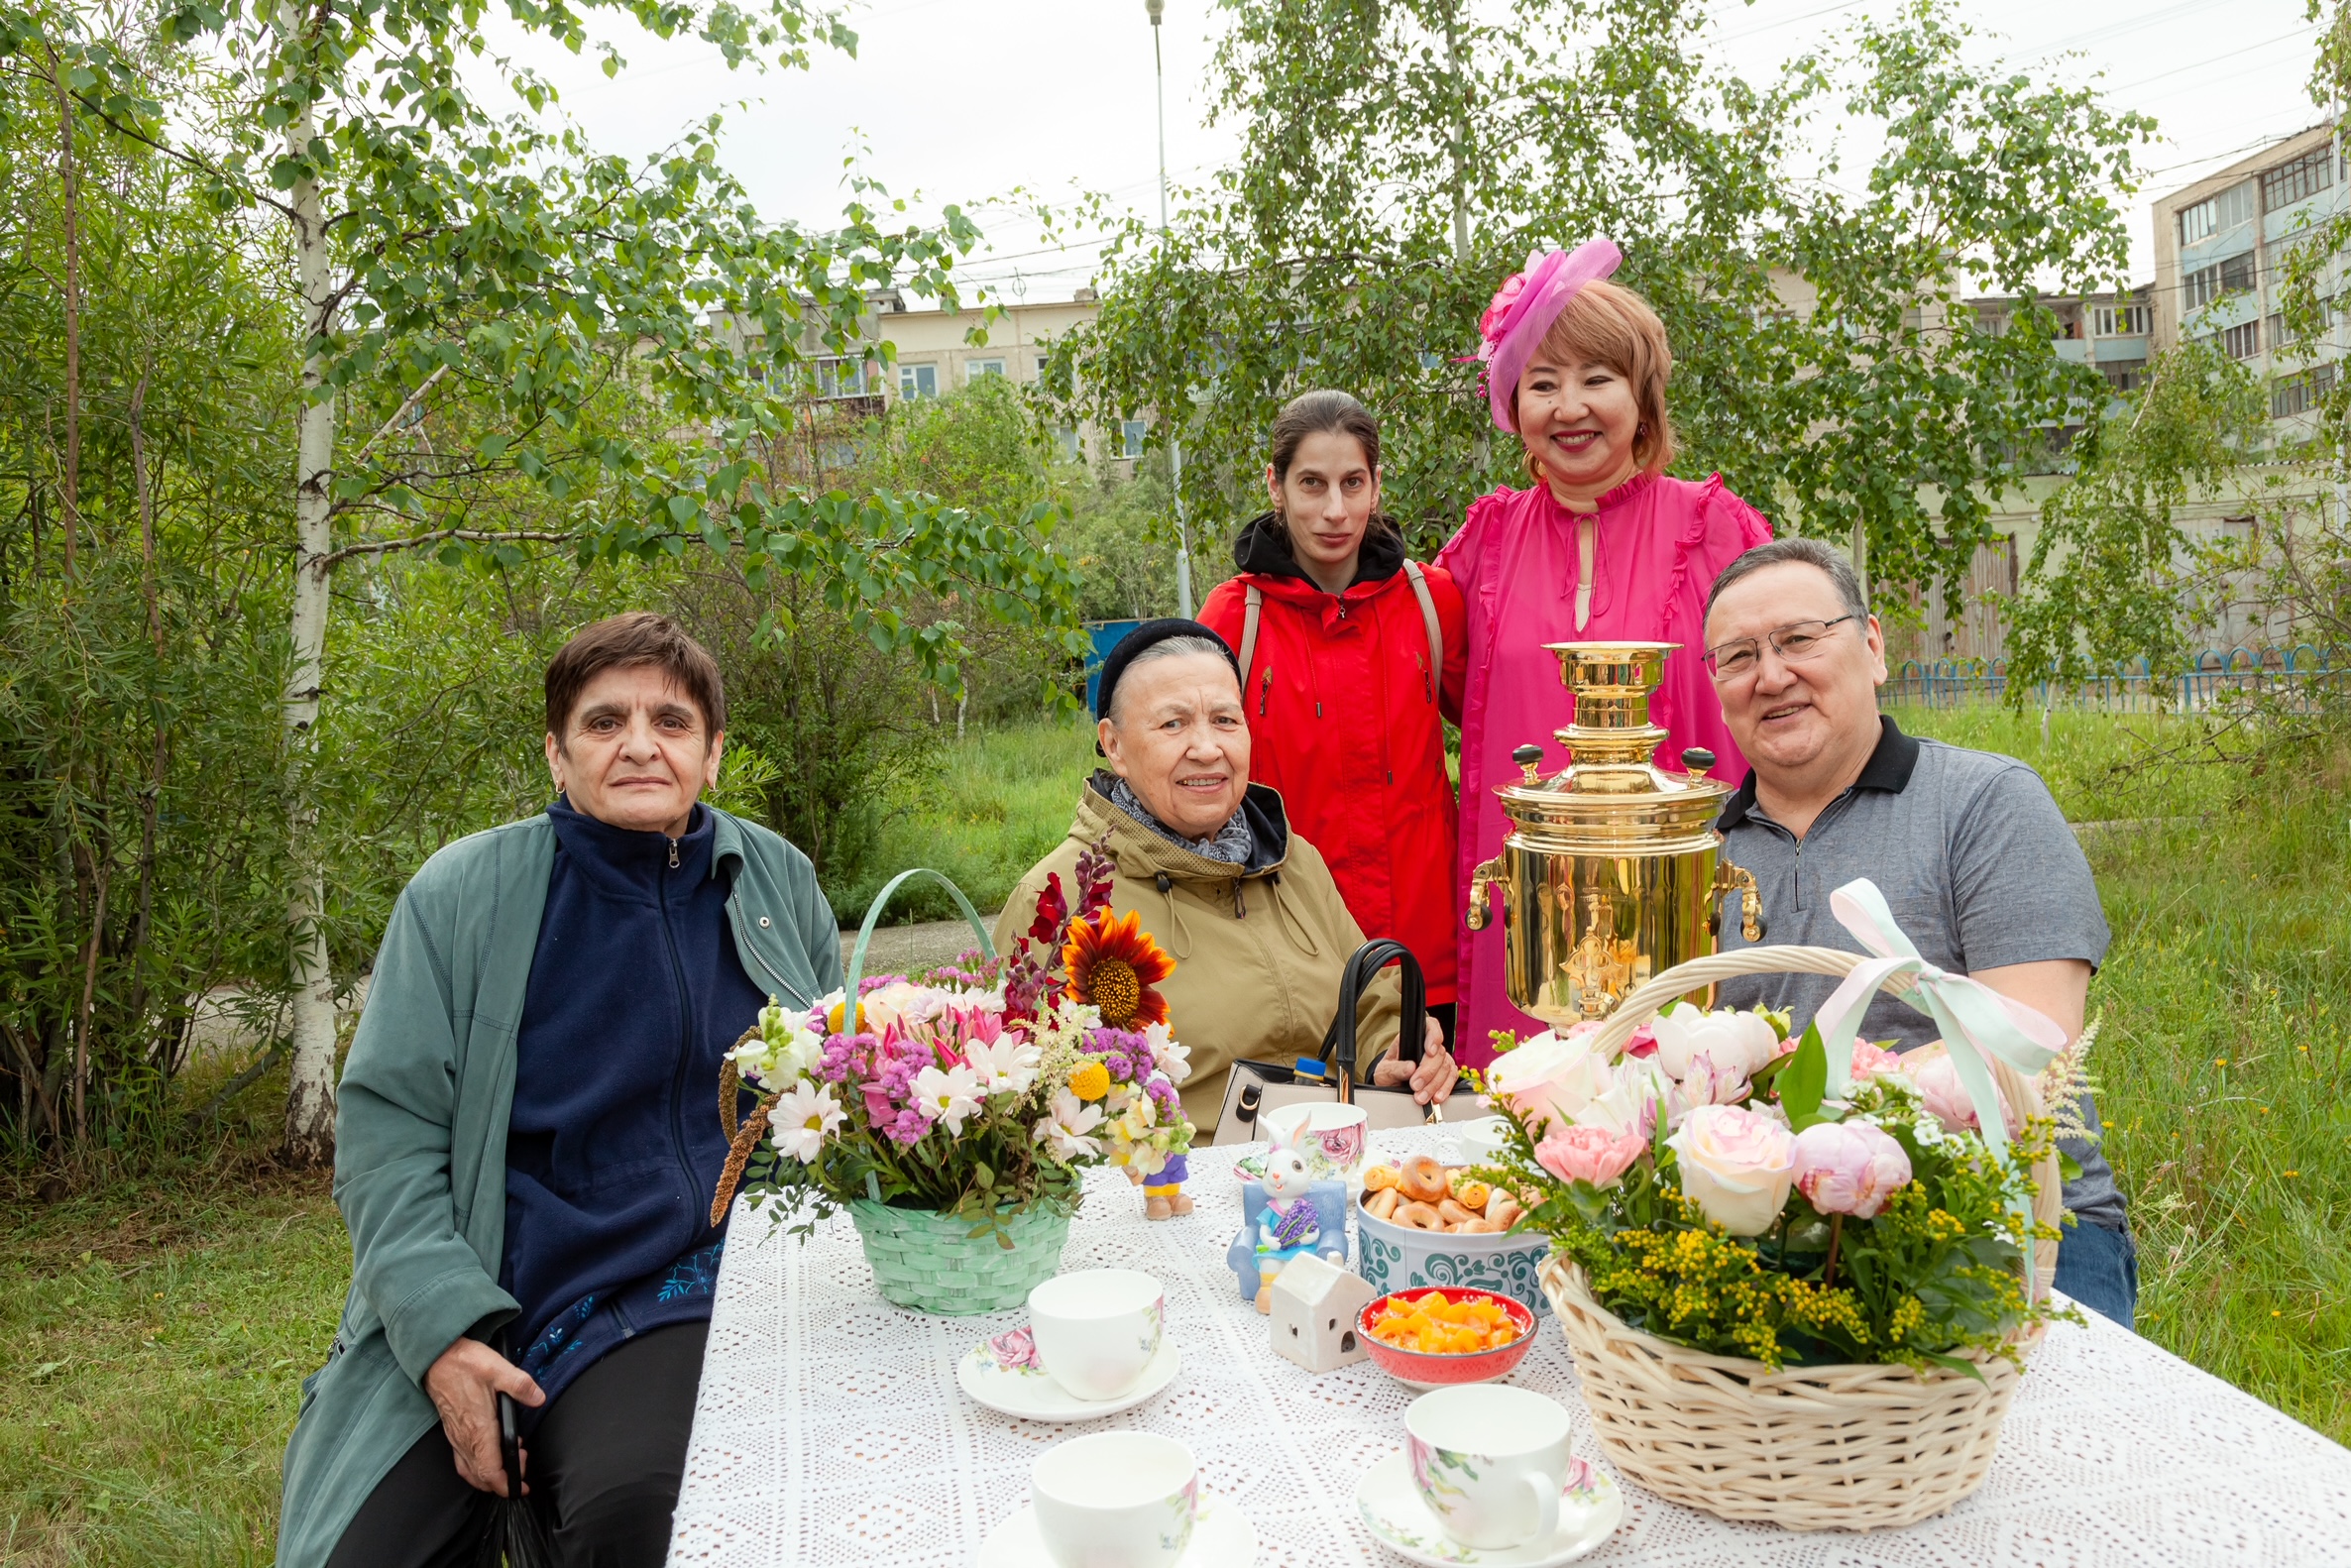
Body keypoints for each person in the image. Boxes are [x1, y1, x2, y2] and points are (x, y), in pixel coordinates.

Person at [278, 615, 843, 1568]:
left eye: (671, 721)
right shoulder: (463, 895)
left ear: (711, 754)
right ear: (556, 753)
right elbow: (388, 1141)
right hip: (516, 1278)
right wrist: (444, 1333)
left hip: (708, 1280)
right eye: (603, 721)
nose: (638, 745)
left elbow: (842, 1080)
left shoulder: (774, 878)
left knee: (642, 1508)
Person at [1700, 537, 2138, 1327]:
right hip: (1775, 1234)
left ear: (1872, 647)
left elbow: (2031, 1042)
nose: (1770, 675)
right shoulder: (1694, 850)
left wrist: (1815, 1110)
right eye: (1737, 656)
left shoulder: (1985, 803)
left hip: (2016, 1227)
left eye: (1800, 639)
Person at [1438, 239, 1773, 1064]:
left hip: (1689, 898)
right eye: (1542, 385)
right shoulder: (1481, 544)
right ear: (1513, 407)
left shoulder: (1721, 529)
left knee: (1691, 1122)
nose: (1569, 406)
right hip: (1530, 915)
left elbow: (1787, 688)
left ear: (1642, 396)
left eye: (1596, 379)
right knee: (1531, 1134)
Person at [996, 619, 1457, 1137]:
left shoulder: (1293, 860)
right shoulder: (1061, 900)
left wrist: (1391, 1054)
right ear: (1115, 745)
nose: (1207, 748)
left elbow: (1373, 1005)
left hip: (1332, 1169)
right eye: (1173, 725)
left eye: (1224, 720)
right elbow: (1031, 1108)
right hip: (1173, 1194)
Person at [1197, 391, 1468, 1044]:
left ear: (1377, 485)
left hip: (1430, 958)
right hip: (1296, 961)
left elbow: (1503, 734)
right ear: (1277, 485)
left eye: (1353, 483)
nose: (1334, 510)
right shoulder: (1235, 619)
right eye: (1312, 484)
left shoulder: (1432, 603)